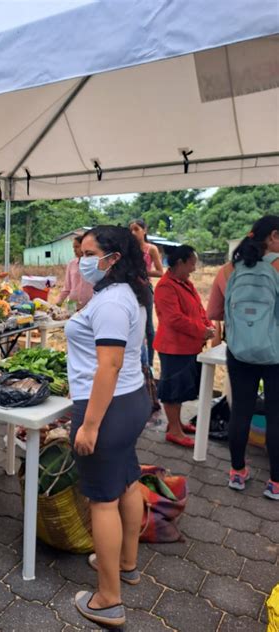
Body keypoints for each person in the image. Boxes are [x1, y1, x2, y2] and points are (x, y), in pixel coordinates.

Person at [65, 225, 151, 628]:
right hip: (130, 402)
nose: (82, 259)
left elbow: (109, 365)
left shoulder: (113, 302)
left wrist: (90, 424)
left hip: (108, 407)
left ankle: (107, 598)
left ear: (113, 258)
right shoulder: (123, 293)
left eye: (88, 252)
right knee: (128, 481)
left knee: (102, 500)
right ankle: (127, 563)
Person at [208, 216, 279, 499]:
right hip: (276, 354)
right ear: (273, 235)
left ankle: (237, 473)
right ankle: (275, 483)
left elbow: (213, 313)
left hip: (239, 352)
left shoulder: (227, 270)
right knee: (276, 416)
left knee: (240, 412)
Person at [154, 245, 215, 448]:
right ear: (180, 262)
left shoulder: (184, 283)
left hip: (188, 346)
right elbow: (174, 319)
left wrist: (208, 325)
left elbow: (198, 308)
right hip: (173, 347)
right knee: (173, 389)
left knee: (181, 388)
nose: (194, 269)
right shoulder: (165, 286)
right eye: (192, 264)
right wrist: (202, 331)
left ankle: (177, 423)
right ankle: (174, 430)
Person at [129, 219, 163, 366]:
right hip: (129, 289)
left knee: (148, 326)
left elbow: (160, 272)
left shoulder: (151, 249)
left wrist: (143, 272)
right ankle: (135, 359)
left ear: (145, 230)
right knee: (132, 324)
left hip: (144, 290)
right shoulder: (127, 249)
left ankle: (149, 362)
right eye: (131, 230)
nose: (133, 233)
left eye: (136, 229)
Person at [56, 235, 93, 310]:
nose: (74, 250)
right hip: (72, 304)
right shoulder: (71, 264)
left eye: (77, 247)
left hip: (89, 304)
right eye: (73, 247)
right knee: (68, 320)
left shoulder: (93, 264)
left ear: (84, 247)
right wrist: (58, 304)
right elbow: (67, 287)